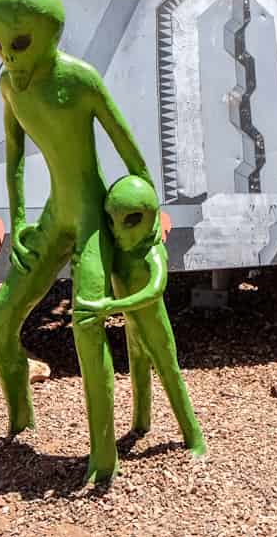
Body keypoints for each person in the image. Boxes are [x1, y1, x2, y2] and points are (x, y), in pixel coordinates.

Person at [0, 0, 150, 484]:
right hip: (54, 218)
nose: (8, 56)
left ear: (51, 33)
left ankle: (103, 459)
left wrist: (141, 220)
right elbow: (13, 158)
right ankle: (19, 420)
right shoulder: (11, 86)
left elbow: (134, 160)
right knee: (0, 321)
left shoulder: (81, 81)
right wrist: (18, 221)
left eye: (19, 42)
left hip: (95, 216)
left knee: (87, 324)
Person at [74, 175, 206, 459]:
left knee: (170, 377)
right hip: (132, 326)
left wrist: (111, 306)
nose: (119, 232)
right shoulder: (120, 251)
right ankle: (140, 423)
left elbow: (154, 291)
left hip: (154, 328)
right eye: (112, 222)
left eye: (131, 221)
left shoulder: (151, 253)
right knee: (138, 376)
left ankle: (194, 437)